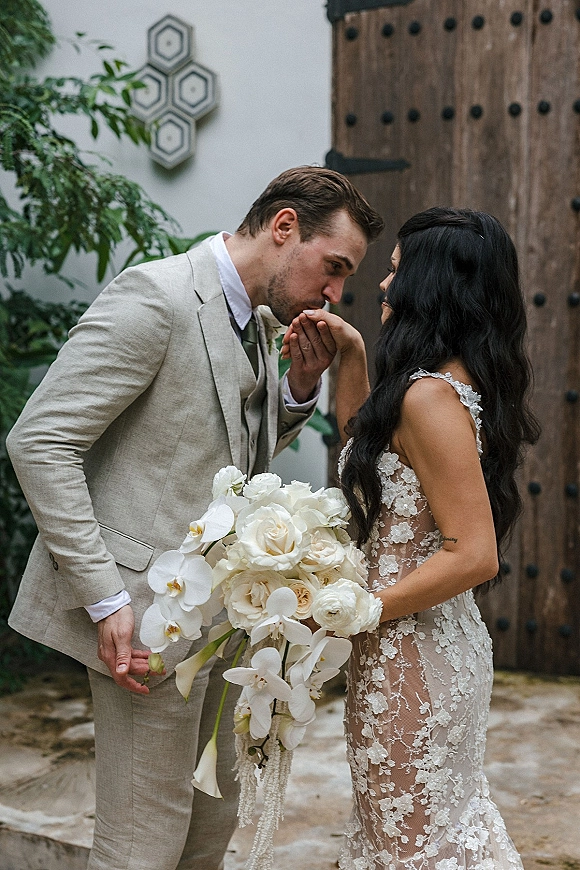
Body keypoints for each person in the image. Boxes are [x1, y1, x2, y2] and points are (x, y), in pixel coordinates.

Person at [6, 166, 384, 870]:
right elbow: (40, 441)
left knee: (209, 836)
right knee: (142, 845)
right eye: (333, 268)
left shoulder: (263, 322)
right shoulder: (156, 297)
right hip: (144, 623)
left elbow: (222, 458)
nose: (336, 295)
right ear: (283, 228)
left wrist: (300, 387)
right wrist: (106, 596)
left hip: (224, 627)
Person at [288, 207, 539, 869]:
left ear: (429, 286)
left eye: (396, 271)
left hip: (412, 657)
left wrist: (360, 610)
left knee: (409, 847)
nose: (382, 286)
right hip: (409, 646)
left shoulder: (430, 397)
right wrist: (353, 355)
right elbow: (371, 458)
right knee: (411, 835)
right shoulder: (440, 388)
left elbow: (474, 551)